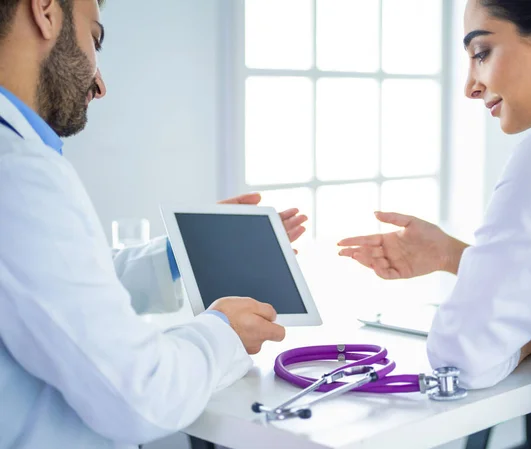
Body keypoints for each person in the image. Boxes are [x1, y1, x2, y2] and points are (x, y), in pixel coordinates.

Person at [0, 0, 308, 448]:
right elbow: (142, 397)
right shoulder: (20, 172)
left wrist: (178, 255)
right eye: (96, 39)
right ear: (45, 11)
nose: (100, 84)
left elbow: (47, 293)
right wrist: (222, 331)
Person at [338, 1, 531, 447]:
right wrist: (452, 255)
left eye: (481, 53)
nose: (470, 87)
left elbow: (463, 361)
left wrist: (530, 333)